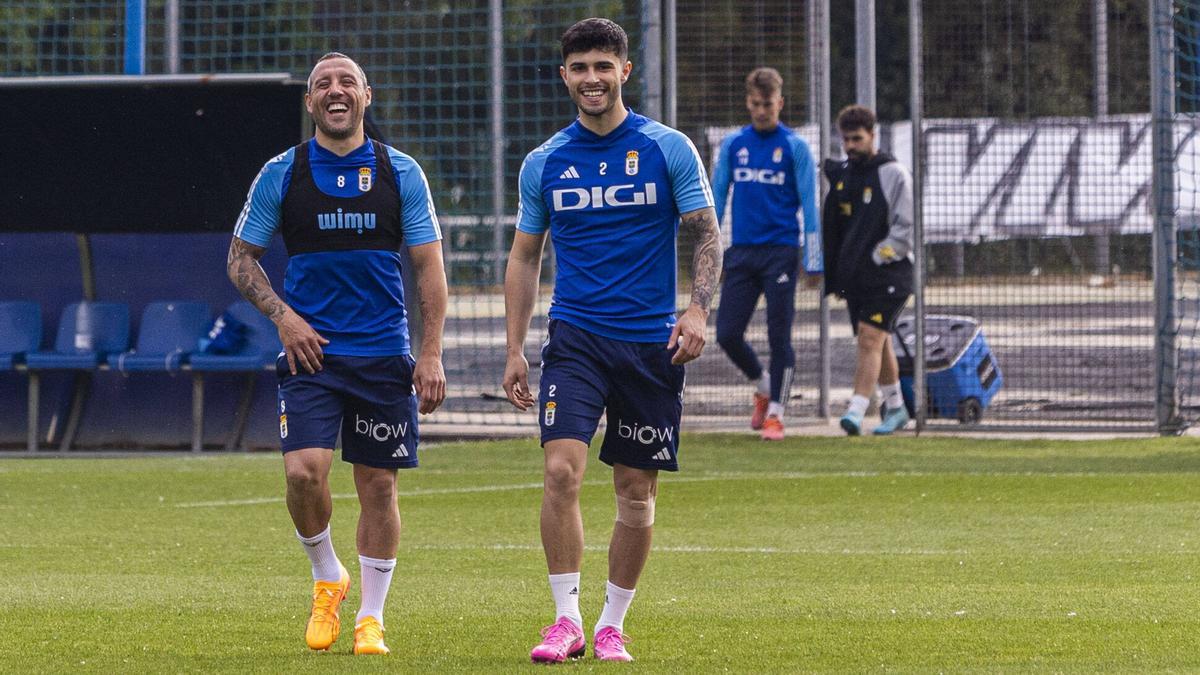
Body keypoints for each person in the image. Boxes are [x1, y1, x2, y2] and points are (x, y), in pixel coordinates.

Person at [502, 18, 721, 664]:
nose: (592, 78)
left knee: (635, 489)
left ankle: (611, 623)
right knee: (560, 469)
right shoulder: (545, 162)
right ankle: (565, 620)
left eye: (604, 66)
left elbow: (706, 232)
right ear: (564, 75)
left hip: (651, 343)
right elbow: (524, 256)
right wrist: (515, 347)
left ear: (625, 71)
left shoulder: (666, 148)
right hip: (575, 339)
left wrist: (698, 310)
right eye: (580, 68)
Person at [226, 52, 448, 656]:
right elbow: (240, 258)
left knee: (378, 484)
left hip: (381, 355)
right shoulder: (282, 173)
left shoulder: (400, 172)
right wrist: (284, 317)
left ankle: (370, 618)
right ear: (310, 103)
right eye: (322, 83)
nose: (335, 90)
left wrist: (430, 353)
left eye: (346, 81)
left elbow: (429, 268)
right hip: (311, 356)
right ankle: (328, 575)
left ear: (366, 96)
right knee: (303, 474)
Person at [711, 67, 822, 441]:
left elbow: (810, 205)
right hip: (742, 252)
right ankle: (763, 385)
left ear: (781, 103)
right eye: (756, 104)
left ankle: (777, 412)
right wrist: (710, 250)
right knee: (726, 333)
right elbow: (715, 199)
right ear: (748, 103)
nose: (762, 111)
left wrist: (814, 259)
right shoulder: (733, 145)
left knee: (780, 335)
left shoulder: (795, 147)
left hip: (781, 253)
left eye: (769, 104)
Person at [821, 104, 914, 436]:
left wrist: (879, 256)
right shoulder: (845, 177)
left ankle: (856, 410)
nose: (850, 146)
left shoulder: (893, 174)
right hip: (857, 278)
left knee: (870, 338)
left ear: (873, 135)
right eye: (845, 139)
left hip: (891, 274)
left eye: (857, 139)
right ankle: (898, 407)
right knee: (877, 339)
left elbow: (906, 228)